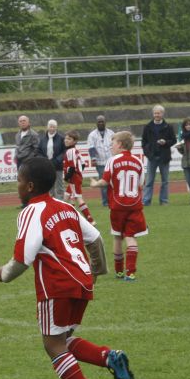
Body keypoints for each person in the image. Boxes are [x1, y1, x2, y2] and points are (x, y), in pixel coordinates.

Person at [0, 157, 132, 379]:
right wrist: (96, 272)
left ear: (30, 186)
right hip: (82, 281)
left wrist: (3, 274)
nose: (17, 185)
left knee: (53, 346)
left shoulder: (31, 211)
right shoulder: (66, 207)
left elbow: (23, 258)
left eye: (19, 180)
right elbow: (96, 238)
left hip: (56, 286)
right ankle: (108, 357)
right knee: (64, 339)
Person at [91, 131, 148, 282]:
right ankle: (131, 273)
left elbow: (105, 181)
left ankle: (119, 272)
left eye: (113, 144)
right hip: (134, 206)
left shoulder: (113, 161)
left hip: (117, 207)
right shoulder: (138, 161)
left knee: (117, 237)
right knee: (131, 237)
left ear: (120, 144)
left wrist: (95, 184)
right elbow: (141, 184)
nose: (111, 147)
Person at [140, 105, 176, 206]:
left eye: (158, 113)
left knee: (165, 181)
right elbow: (144, 142)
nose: (157, 115)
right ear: (153, 114)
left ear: (162, 114)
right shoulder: (147, 127)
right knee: (149, 181)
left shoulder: (168, 127)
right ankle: (146, 201)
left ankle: (164, 201)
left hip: (164, 157)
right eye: (155, 113)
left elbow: (173, 140)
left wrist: (166, 142)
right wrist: (148, 154)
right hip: (152, 158)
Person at [63, 130, 95, 225]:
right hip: (75, 178)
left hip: (73, 178)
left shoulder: (71, 151)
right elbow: (83, 164)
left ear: (74, 141)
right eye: (66, 138)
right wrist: (78, 174)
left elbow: (72, 166)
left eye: (69, 139)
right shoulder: (75, 151)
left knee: (78, 198)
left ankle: (90, 220)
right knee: (66, 197)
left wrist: (67, 177)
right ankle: (70, 219)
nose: (66, 140)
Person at [87, 115, 114, 207]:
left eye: (102, 121)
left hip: (111, 161)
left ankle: (112, 200)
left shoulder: (111, 133)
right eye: (99, 122)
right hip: (100, 162)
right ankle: (105, 202)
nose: (101, 123)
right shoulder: (92, 135)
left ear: (105, 122)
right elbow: (91, 147)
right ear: (96, 123)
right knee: (104, 182)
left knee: (112, 182)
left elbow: (115, 145)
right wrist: (93, 159)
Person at [37, 119, 66, 199]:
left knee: (59, 186)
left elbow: (64, 151)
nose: (52, 128)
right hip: (47, 167)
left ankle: (60, 201)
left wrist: (57, 160)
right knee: (49, 186)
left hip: (58, 166)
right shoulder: (42, 139)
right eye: (50, 127)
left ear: (56, 128)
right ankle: (51, 201)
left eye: (54, 127)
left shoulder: (61, 139)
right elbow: (38, 151)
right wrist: (45, 160)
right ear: (47, 127)